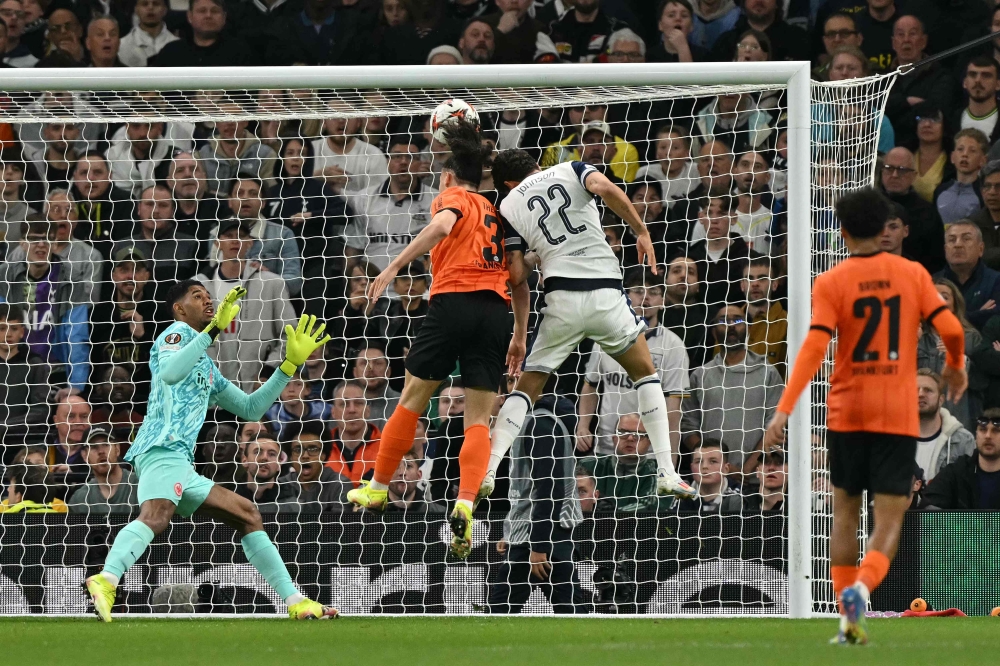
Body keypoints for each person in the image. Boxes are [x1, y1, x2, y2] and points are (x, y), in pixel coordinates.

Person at [763, 187, 967, 644]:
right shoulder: (912, 274)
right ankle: (862, 589)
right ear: (885, 230)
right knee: (889, 520)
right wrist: (955, 365)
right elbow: (951, 326)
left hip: (846, 409)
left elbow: (815, 347)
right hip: (894, 412)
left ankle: (846, 617)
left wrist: (785, 407)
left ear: (842, 232)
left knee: (844, 516)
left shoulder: (830, 282)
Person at [83, 280, 335, 622]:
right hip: (160, 448)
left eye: (208, 296)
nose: (208, 301)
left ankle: (295, 601)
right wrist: (215, 329)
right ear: (180, 308)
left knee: (246, 513)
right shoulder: (175, 335)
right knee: (156, 515)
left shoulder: (205, 364)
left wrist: (287, 366)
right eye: (197, 296)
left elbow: (251, 408)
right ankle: (108, 578)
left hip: (180, 463)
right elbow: (171, 373)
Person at [347, 120, 529, 561]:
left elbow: (442, 226)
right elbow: (520, 277)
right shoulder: (500, 211)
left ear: (448, 177)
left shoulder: (453, 198)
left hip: (451, 303)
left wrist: (392, 267)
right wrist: (520, 335)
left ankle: (377, 487)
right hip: (495, 311)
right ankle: (466, 500)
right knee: (478, 418)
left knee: (412, 397)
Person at [485, 147, 697, 505]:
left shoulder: (506, 207)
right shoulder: (570, 168)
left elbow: (518, 275)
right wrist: (641, 230)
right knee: (647, 375)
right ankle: (666, 471)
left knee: (526, 389)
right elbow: (605, 188)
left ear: (507, 182)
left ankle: (488, 471)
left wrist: (539, 257)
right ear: (538, 165)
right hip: (605, 296)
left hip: (561, 301)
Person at [488, 390, 584, 613]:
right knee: (571, 612)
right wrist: (511, 532)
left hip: (540, 538)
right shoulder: (530, 421)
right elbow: (530, 488)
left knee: (499, 612)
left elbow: (549, 489)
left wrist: (539, 546)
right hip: (538, 534)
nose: (500, 398)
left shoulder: (540, 425)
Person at [577, 268, 689, 457]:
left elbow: (673, 408)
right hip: (607, 447)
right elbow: (591, 385)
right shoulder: (605, 337)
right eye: (638, 291)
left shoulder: (673, 345)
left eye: (653, 293)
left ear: (663, 301)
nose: (645, 297)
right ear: (626, 296)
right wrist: (583, 425)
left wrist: (671, 456)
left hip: (650, 452)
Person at [196, 218, 294, 391]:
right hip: (211, 394)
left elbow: (290, 334)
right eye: (229, 236)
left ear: (250, 243)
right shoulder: (198, 287)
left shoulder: (271, 284)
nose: (235, 241)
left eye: (241, 236)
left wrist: (269, 371)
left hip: (256, 391)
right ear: (217, 242)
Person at [0, 220, 90, 392]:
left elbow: (76, 335)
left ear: (55, 243)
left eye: (48, 239)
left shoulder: (72, 280)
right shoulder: (4, 276)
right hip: (14, 368)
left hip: (56, 372)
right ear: (22, 243)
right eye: (34, 239)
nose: (41, 245)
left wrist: (76, 384)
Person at [880, 147, 946, 274]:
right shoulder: (867, 207)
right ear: (882, 171)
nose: (894, 175)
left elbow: (937, 261)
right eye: (889, 168)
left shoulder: (927, 213)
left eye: (902, 170)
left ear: (914, 176)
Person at [923, 409, 1000, 510]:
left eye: (996, 431)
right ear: (976, 434)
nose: (988, 436)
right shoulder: (956, 473)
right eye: (983, 429)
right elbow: (928, 507)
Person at [0, 303, 51, 449]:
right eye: (2, 328)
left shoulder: (34, 364)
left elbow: (41, 410)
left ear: (22, 332)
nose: (8, 334)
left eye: (14, 328)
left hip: (23, 443)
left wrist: (6, 426)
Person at [935, 219, 1000, 330]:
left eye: (966, 239)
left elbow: (994, 321)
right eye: (952, 240)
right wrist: (978, 315)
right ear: (945, 249)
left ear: (981, 249)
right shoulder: (932, 282)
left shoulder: (996, 280)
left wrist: (951, 318)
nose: (958, 244)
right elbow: (932, 321)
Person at [150, 0, 254, 67]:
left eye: (215, 11)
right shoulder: (171, 52)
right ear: (189, 16)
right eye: (202, 11)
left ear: (224, 17)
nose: (208, 15)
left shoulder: (241, 52)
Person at [916, 369, 975, 482]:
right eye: (915, 390)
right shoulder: (894, 440)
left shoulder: (963, 440)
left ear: (941, 400)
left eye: (928, 390)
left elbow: (970, 489)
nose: (920, 394)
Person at [67, 425, 138, 514]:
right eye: (94, 447)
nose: (101, 451)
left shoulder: (139, 485)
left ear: (117, 449)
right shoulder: (79, 500)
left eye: (106, 444)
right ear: (85, 456)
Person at [325, 378, 382, 486]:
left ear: (368, 410)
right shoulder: (321, 448)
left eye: (358, 403)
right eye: (344, 404)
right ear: (333, 412)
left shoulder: (386, 447)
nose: (352, 410)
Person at [742, 256, 787, 376]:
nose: (755, 283)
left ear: (775, 285)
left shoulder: (787, 324)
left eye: (762, 278)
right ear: (742, 285)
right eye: (749, 278)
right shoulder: (728, 321)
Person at [935, 129, 988, 225]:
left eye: (972, 151)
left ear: (983, 160)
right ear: (952, 157)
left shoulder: (983, 194)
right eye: (960, 149)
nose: (965, 155)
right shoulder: (940, 190)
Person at [677, 439, 742, 513]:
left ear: (726, 469)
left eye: (713, 461)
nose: (704, 466)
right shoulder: (679, 492)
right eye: (698, 461)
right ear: (692, 467)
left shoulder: (740, 496)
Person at [352, 346, 400, 430]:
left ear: (388, 372)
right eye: (364, 363)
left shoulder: (404, 404)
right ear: (355, 372)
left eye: (377, 363)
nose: (370, 368)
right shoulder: (345, 406)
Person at [118, 0, 178, 67]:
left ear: (165, 10)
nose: (150, 7)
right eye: (144, 4)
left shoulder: (178, 46)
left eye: (156, 4)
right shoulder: (120, 47)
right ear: (136, 10)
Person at [956, 57, 1000, 144]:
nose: (978, 80)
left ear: (998, 84)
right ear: (965, 82)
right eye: (972, 74)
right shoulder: (952, 119)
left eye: (986, 75)